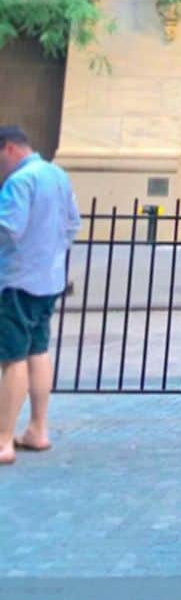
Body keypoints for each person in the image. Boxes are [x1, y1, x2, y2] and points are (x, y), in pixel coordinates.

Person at [0, 125, 80, 464]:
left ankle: (3, 440)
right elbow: (73, 224)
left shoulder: (18, 182)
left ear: (7, 149)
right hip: (50, 279)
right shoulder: (57, 175)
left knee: (12, 358)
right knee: (38, 350)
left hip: (16, 280)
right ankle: (38, 429)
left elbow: (8, 227)